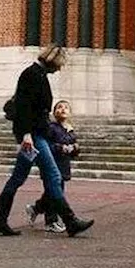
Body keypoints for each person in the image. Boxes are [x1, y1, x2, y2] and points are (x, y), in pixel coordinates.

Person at [0, 45, 94, 238]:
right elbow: (24, 108)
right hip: (33, 136)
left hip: (36, 134)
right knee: (54, 176)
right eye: (59, 64)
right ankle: (70, 221)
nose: (59, 69)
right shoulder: (31, 75)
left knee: (17, 178)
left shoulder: (38, 75)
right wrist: (27, 135)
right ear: (52, 60)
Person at [26, 99, 78, 233]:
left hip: (63, 166)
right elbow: (48, 146)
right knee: (55, 193)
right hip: (51, 164)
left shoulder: (70, 130)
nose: (62, 109)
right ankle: (51, 221)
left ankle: (35, 209)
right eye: (59, 107)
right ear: (54, 113)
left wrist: (74, 148)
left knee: (52, 193)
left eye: (66, 107)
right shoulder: (52, 128)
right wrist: (62, 148)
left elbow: (74, 149)